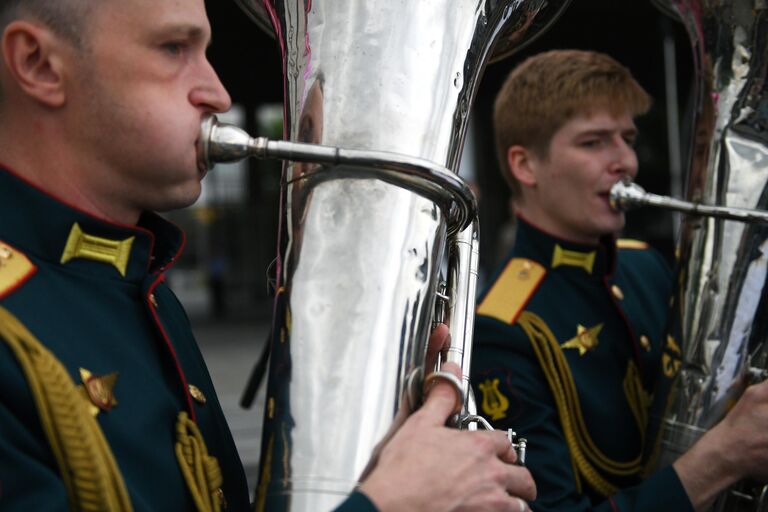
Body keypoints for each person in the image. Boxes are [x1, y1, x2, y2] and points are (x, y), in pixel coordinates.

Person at [0, 1, 535, 510]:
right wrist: (389, 503)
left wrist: (383, 447)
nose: (218, 93)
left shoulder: (138, 283)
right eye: (173, 48)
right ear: (39, 64)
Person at [471, 49, 768, 512]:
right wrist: (723, 457)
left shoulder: (646, 264)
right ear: (525, 166)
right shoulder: (503, 327)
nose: (626, 161)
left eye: (627, 138)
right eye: (594, 143)